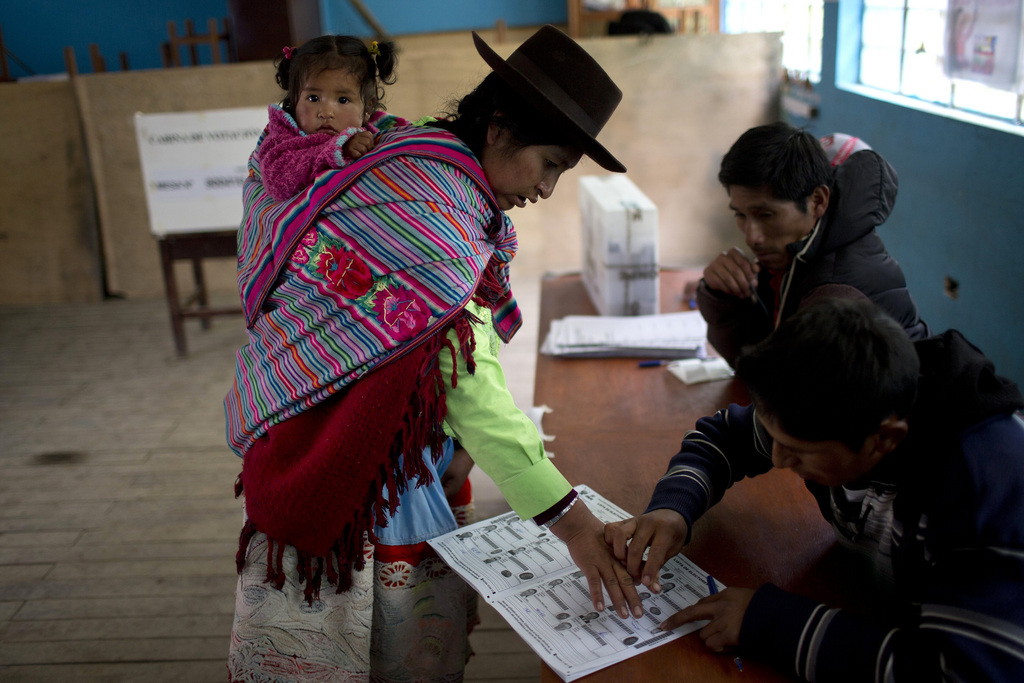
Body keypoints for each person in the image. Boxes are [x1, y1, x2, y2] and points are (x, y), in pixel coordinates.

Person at [224, 26, 641, 681]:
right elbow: (469, 381)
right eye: (552, 164)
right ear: (501, 128)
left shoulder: (418, 160)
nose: (548, 189)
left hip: (334, 445)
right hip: (350, 479)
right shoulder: (432, 210)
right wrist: (575, 523)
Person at [606, 297, 1024, 681]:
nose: (779, 462)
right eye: (774, 440)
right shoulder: (827, 405)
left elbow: (958, 672)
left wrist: (771, 623)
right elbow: (723, 437)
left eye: (798, 453)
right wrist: (673, 509)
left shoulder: (982, 492)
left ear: (884, 439)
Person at [694, 121, 928, 367]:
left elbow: (779, 387)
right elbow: (758, 360)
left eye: (766, 215)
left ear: (817, 200)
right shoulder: (795, 256)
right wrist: (725, 297)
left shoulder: (837, 294)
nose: (752, 237)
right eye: (740, 215)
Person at [259, 35, 411, 201]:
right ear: (294, 100)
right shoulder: (281, 140)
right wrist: (339, 149)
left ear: (367, 108)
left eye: (343, 100)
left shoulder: (378, 134)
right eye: (313, 98)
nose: (326, 112)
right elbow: (277, 181)